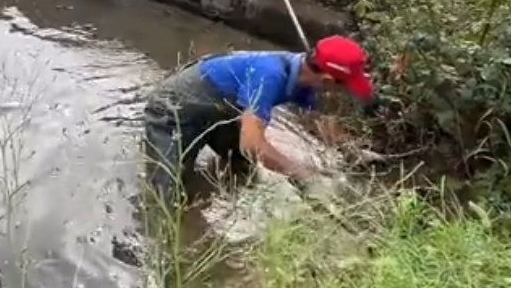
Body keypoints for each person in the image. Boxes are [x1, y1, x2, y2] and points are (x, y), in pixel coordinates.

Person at [142, 35, 374, 207]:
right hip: (173, 110)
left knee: (243, 168)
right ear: (328, 79)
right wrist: (302, 173)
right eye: (344, 86)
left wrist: (352, 150)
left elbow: (319, 121)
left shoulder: (305, 78)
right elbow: (252, 144)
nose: (343, 93)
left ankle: (223, 198)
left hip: (221, 110)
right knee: (166, 198)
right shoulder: (270, 76)